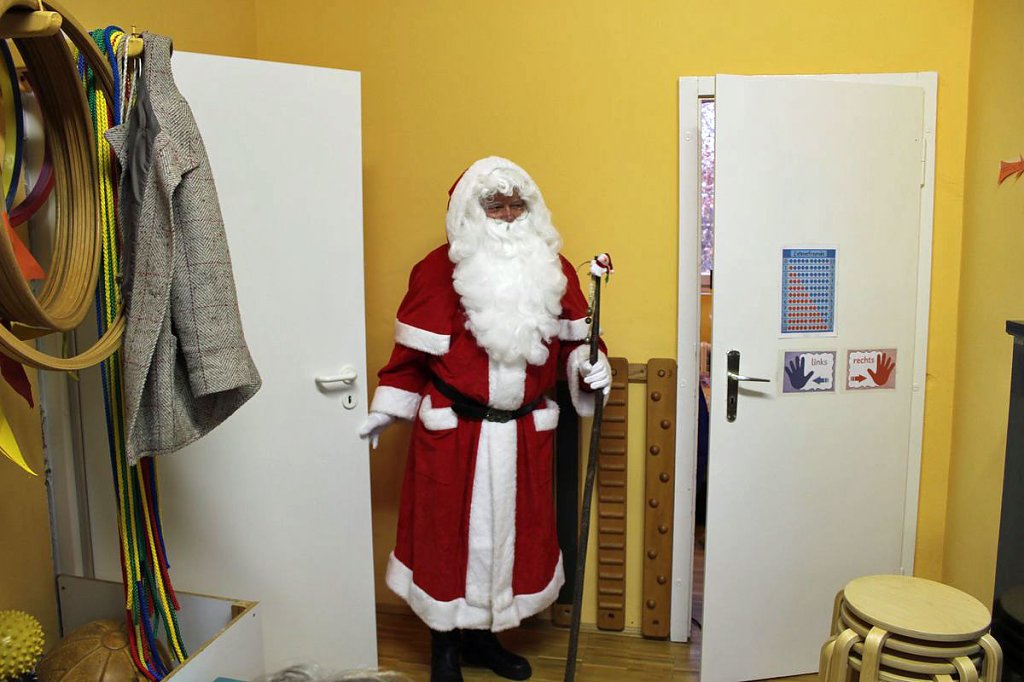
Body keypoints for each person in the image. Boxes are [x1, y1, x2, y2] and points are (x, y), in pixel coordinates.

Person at [359, 156, 611, 682]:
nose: (508, 215)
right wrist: (386, 409)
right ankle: (444, 648)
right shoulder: (437, 271)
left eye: (518, 205)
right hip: (454, 433)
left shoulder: (554, 269)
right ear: (470, 210)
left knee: (512, 541)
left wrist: (592, 367)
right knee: (443, 541)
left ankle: (485, 640)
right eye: (495, 205)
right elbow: (411, 357)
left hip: (523, 436)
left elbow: (577, 344)